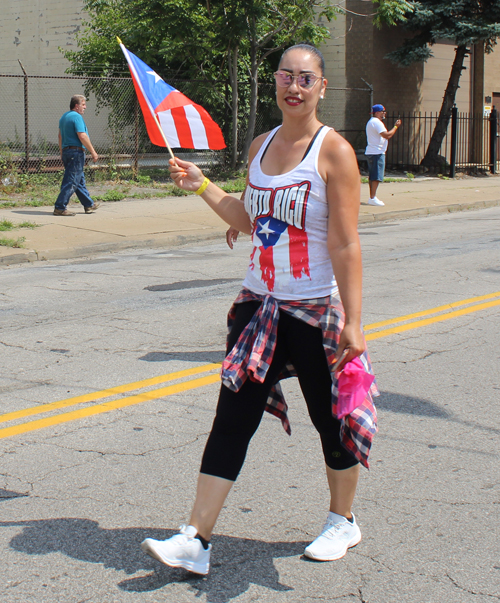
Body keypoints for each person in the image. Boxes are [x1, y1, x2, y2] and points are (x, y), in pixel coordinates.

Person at [141, 44, 379, 576]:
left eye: (305, 78)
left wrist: (355, 322)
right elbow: (248, 218)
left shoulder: (334, 152)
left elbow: (345, 243)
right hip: (258, 309)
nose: (293, 87)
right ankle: (196, 539)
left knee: (328, 419)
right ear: (275, 82)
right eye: (285, 77)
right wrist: (200, 183)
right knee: (232, 418)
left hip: (314, 310)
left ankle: (342, 520)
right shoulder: (260, 145)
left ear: (321, 87)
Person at [54, 95, 100, 216]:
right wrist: (93, 152)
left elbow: (60, 136)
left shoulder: (64, 117)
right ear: (76, 105)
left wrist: (61, 151)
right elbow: (82, 136)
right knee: (72, 181)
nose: (85, 107)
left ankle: (89, 205)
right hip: (76, 152)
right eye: (83, 104)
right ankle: (60, 207)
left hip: (67, 151)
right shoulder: (77, 117)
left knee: (78, 180)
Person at [365, 104, 401, 207]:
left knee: (372, 176)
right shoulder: (376, 122)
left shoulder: (371, 122)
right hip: (377, 152)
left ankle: (372, 197)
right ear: (377, 113)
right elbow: (387, 135)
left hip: (372, 152)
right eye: (382, 111)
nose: (384, 113)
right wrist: (395, 127)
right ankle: (372, 198)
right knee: (376, 176)